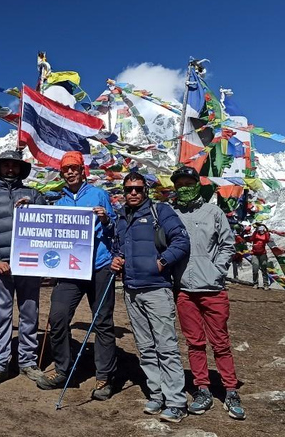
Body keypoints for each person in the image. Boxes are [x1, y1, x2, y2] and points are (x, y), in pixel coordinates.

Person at [35, 151, 117, 401]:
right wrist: (27, 209)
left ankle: (104, 376)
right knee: (57, 317)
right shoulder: (59, 203)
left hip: (99, 265)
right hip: (70, 270)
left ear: (83, 171)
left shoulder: (99, 194)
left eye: (74, 168)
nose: (69, 172)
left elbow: (114, 225)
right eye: (65, 170)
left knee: (102, 322)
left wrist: (105, 218)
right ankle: (62, 369)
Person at [111, 172, 191, 423]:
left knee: (165, 346)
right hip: (132, 290)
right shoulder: (121, 217)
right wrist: (117, 260)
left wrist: (162, 261)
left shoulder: (161, 211)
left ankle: (176, 401)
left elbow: (182, 240)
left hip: (157, 288)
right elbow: (118, 247)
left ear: (145, 190)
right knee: (145, 348)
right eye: (128, 189)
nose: (132, 193)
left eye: (137, 188)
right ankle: (156, 394)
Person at [170, 166, 246, 420]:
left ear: (198, 184)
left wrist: (218, 270)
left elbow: (227, 244)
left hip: (212, 289)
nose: (184, 188)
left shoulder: (213, 212)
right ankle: (202, 388)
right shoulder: (171, 213)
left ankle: (230, 389)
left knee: (221, 343)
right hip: (184, 290)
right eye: (179, 184)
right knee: (194, 343)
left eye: (188, 183)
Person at [0, 150, 47, 387]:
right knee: (1, 315)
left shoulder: (35, 195)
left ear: (20, 169)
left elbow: (47, 226)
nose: (10, 170)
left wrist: (33, 210)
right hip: (0, 265)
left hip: (29, 265)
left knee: (29, 315)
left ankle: (28, 362)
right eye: (6, 165)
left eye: (14, 166)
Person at [251, 224, 271, 289]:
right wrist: (256, 230)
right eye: (260, 230)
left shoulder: (265, 235)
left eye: (262, 230)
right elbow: (252, 238)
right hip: (255, 254)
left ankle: (265, 284)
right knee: (255, 269)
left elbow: (267, 239)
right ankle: (255, 283)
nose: (261, 231)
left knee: (264, 269)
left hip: (262, 254)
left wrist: (266, 231)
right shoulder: (255, 234)